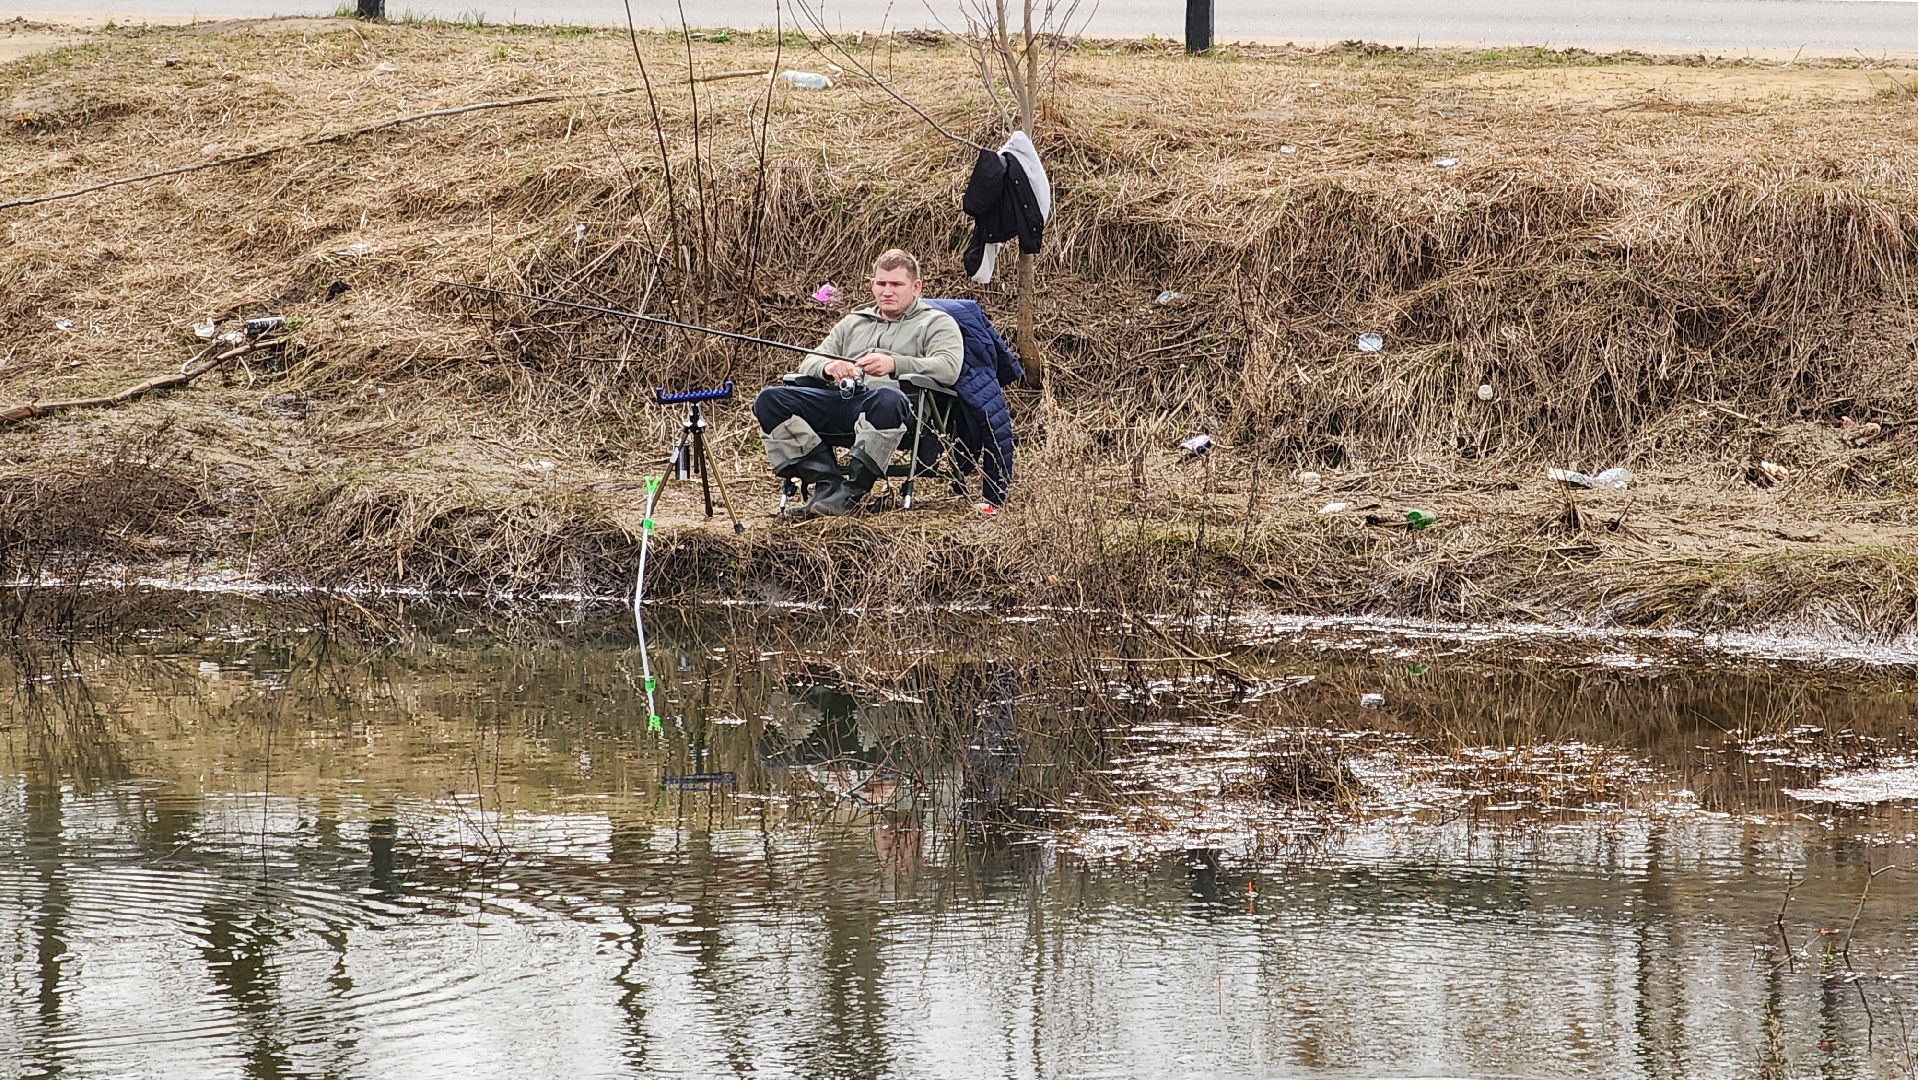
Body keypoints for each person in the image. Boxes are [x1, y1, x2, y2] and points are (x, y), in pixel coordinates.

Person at [752, 249, 963, 517]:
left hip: (897, 412)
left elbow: (949, 368)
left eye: (897, 284)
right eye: (881, 283)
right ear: (871, 285)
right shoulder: (852, 322)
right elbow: (808, 363)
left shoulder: (936, 323)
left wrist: (896, 364)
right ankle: (827, 484)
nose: (888, 291)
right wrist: (829, 368)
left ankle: (854, 491)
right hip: (841, 403)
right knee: (770, 400)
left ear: (916, 287)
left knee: (887, 397)